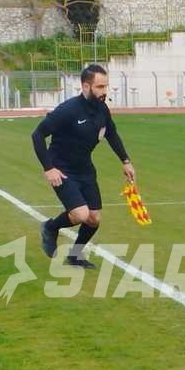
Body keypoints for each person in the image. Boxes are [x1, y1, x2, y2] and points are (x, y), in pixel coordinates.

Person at [35, 64, 136, 269]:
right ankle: (51, 227)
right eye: (99, 87)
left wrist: (126, 161)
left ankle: (75, 256)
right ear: (85, 86)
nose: (104, 91)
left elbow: (111, 134)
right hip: (62, 168)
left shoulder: (102, 109)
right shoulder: (68, 110)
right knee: (80, 214)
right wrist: (49, 168)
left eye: (105, 86)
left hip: (85, 168)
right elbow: (37, 135)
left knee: (93, 219)